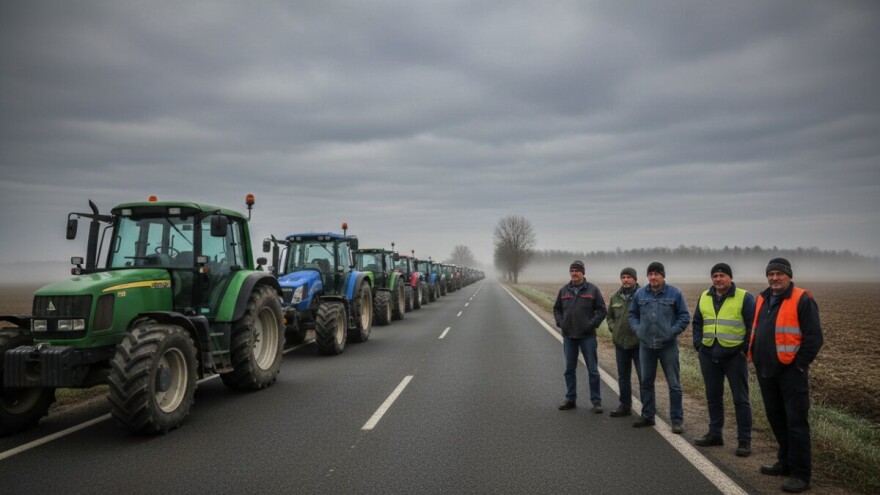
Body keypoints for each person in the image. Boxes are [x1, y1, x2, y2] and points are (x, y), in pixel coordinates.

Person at [749, 258, 823, 493]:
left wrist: (799, 365)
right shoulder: (762, 297)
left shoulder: (802, 299)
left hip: (791, 372)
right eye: (770, 274)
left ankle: (802, 474)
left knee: (796, 423)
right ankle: (786, 461)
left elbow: (814, 338)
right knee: (776, 418)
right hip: (766, 370)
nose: (774, 278)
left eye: (779, 274)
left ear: (788, 275)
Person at [692, 263, 756, 457]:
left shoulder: (744, 297)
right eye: (715, 276)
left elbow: (752, 325)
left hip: (734, 356)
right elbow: (697, 322)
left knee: (740, 399)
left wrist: (744, 350)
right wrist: (699, 345)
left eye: (722, 275)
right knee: (713, 396)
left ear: (730, 277)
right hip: (709, 354)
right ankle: (715, 434)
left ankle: (744, 440)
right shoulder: (704, 296)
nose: (718, 279)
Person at [628, 261, 690, 433]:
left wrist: (672, 332)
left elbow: (684, 316)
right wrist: (638, 330)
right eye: (650, 274)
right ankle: (648, 416)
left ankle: (676, 421)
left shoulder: (675, 293)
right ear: (647, 276)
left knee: (674, 384)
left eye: (657, 273)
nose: (653, 277)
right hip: (646, 346)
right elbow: (632, 314)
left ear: (663, 276)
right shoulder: (640, 294)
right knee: (646, 382)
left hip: (668, 346)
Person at [553, 260, 607, 413]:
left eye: (577, 270)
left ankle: (596, 402)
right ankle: (570, 399)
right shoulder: (564, 291)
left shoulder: (592, 290)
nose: (574, 273)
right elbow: (556, 309)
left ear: (583, 273)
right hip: (569, 336)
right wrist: (560, 323)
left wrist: (591, 325)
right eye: (572, 270)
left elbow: (602, 310)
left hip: (587, 336)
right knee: (569, 369)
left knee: (593, 370)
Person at [606, 267, 642, 417]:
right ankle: (625, 406)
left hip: (639, 344)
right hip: (621, 344)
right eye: (623, 277)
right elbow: (610, 316)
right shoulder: (615, 297)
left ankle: (647, 409)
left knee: (644, 378)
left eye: (629, 277)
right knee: (623, 377)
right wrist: (614, 329)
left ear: (635, 279)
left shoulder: (643, 295)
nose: (626, 280)